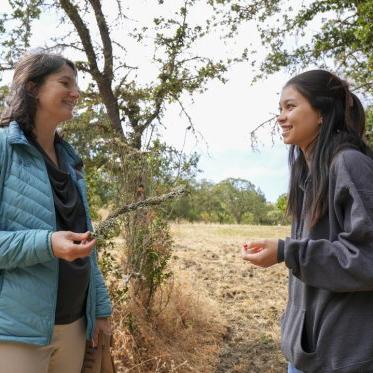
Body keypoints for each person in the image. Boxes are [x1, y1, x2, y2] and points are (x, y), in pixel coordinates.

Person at [242, 70, 373, 373]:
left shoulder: (350, 165)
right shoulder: (310, 172)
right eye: (280, 109)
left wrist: (288, 252)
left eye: (290, 107)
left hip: (344, 358)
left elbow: (367, 257)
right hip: (310, 354)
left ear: (322, 114)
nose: (281, 118)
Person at [0, 51, 112, 373]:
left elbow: (86, 247)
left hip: (75, 327)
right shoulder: (4, 148)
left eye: (76, 85)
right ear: (32, 87)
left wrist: (100, 309)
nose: (75, 93)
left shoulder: (72, 163)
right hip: (16, 333)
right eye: (65, 82)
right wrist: (48, 244)